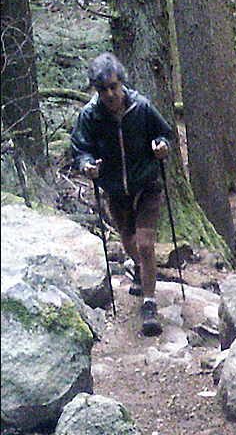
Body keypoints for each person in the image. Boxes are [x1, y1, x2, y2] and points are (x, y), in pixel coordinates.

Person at [71, 52, 173, 337]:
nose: (110, 94)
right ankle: (142, 272)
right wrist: (87, 165)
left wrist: (161, 146)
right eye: (103, 89)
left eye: (113, 86)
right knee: (129, 242)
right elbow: (80, 148)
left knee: (145, 243)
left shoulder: (141, 107)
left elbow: (163, 132)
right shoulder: (90, 116)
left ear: (121, 83)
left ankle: (149, 304)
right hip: (115, 189)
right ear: (96, 90)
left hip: (146, 184)